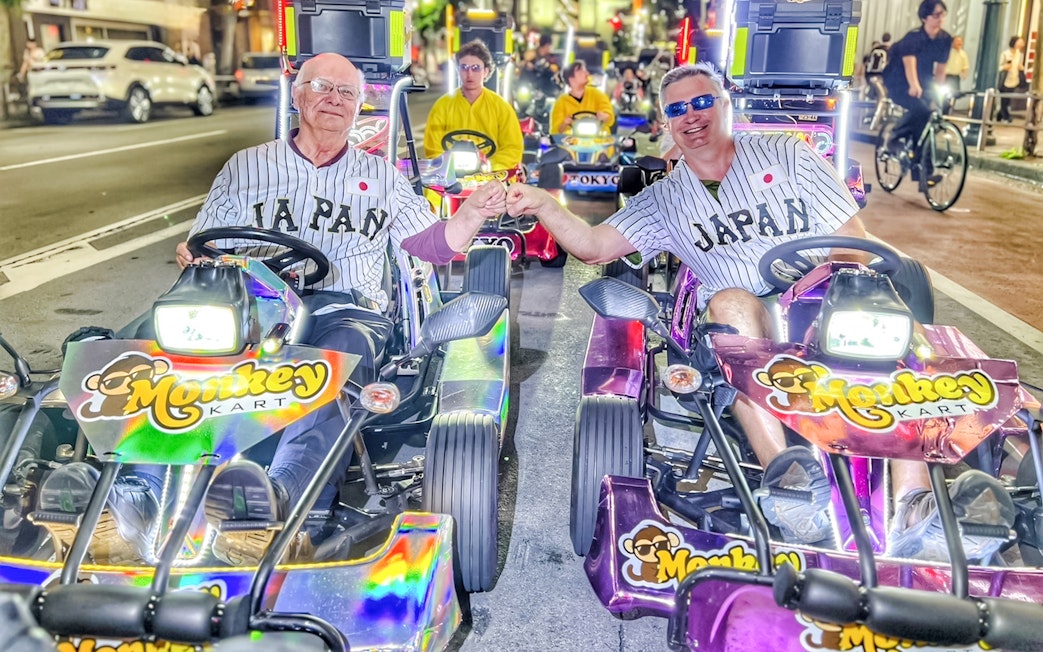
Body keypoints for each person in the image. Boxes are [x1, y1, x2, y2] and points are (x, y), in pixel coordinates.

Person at [505, 62, 1014, 562]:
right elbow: (594, 246)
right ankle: (790, 487)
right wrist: (544, 206)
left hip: (823, 305)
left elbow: (853, 239)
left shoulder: (787, 154)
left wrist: (843, 292)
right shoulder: (663, 200)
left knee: (877, 313)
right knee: (733, 302)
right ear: (666, 123)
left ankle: (912, 505)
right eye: (679, 109)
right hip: (746, 332)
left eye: (704, 102)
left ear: (727, 104)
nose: (693, 116)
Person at [43, 53, 508, 567]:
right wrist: (192, 252)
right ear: (299, 95)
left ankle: (283, 506)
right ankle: (133, 497)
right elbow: (202, 241)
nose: (334, 99)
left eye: (347, 93)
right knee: (151, 342)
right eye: (323, 87)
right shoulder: (246, 166)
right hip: (246, 303)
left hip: (342, 307)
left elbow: (431, 245)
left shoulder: (382, 178)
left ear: (359, 107)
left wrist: (470, 216)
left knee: (337, 355)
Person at [423, 39, 523, 171]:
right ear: (458, 70)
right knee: (429, 192)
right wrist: (448, 166)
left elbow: (513, 148)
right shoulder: (442, 106)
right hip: (451, 175)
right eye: (464, 67)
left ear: (486, 71)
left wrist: (489, 165)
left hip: (491, 174)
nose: (469, 74)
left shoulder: (501, 107)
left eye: (476, 68)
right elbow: (433, 148)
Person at [881, 0, 952, 166]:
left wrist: (938, 93)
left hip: (923, 79)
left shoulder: (945, 39)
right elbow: (909, 63)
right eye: (936, 15)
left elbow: (941, 69)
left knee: (926, 121)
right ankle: (894, 136)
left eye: (942, 14)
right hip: (899, 80)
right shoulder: (913, 38)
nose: (940, 18)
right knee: (920, 108)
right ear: (924, 17)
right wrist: (914, 85)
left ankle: (922, 171)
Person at [551, 60, 615, 135]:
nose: (587, 73)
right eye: (581, 71)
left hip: (598, 142)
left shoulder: (598, 94)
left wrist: (604, 116)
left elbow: (609, 116)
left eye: (586, 71)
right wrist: (565, 123)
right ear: (571, 78)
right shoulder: (561, 102)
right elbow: (556, 130)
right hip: (572, 144)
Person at [997, 36, 1026, 123]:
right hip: (1005, 80)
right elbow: (999, 67)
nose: (1021, 45)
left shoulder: (1019, 55)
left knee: (1007, 99)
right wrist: (1004, 67)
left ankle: (999, 115)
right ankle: (1006, 117)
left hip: (1014, 79)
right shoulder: (1005, 54)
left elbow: (1019, 65)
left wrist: (1021, 68)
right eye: (1019, 43)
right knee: (1004, 99)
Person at [863, 33, 891, 101]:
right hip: (881, 75)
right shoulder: (889, 50)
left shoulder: (875, 49)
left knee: (874, 92)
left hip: (870, 74)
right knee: (882, 95)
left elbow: (867, 63)